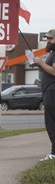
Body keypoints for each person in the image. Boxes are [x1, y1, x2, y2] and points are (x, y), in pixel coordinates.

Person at [34, 29, 55, 161]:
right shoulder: (51, 54)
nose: (48, 41)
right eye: (47, 38)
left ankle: (54, 153)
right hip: (49, 90)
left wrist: (41, 62)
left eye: (51, 38)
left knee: (51, 122)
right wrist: (40, 65)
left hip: (52, 91)